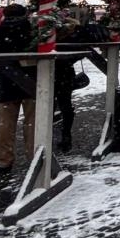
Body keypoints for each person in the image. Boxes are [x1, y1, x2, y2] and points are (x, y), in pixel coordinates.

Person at [0, 3, 35, 191]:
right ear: (25, 15)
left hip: (6, 84)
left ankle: (4, 161)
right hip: (33, 83)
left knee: (4, 125)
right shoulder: (33, 32)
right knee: (33, 123)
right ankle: (35, 156)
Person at [53, 17, 85, 152]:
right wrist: (68, 60)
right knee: (65, 104)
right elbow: (79, 52)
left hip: (51, 71)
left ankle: (52, 134)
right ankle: (66, 134)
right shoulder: (73, 35)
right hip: (65, 73)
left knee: (50, 104)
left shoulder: (47, 33)